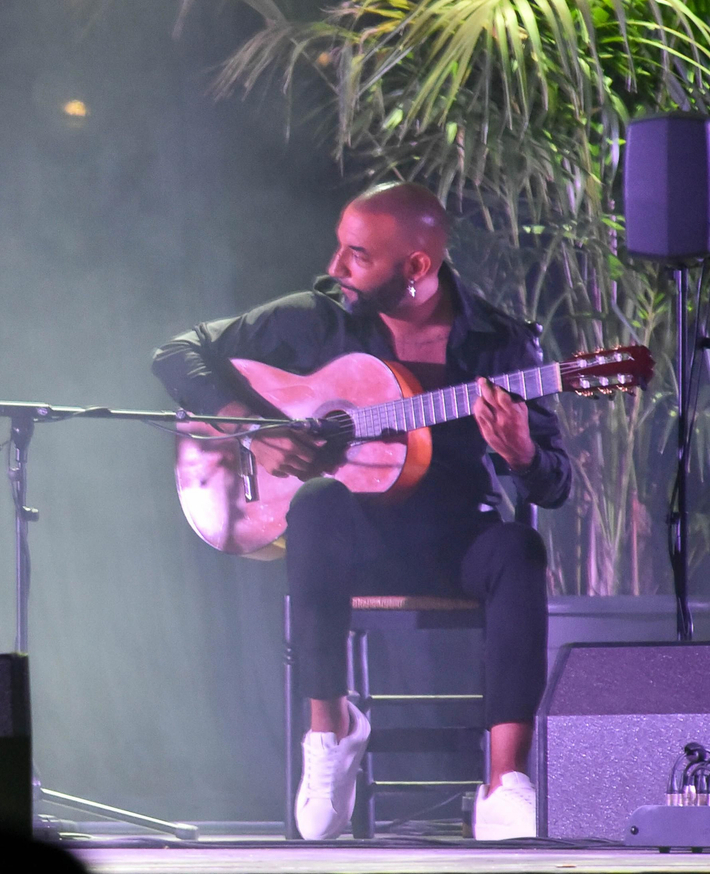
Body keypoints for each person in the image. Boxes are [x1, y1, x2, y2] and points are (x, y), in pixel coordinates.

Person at [152, 182, 569, 841]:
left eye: (357, 255)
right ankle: (331, 733)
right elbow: (177, 352)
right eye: (341, 248)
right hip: (352, 543)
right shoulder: (319, 317)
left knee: (520, 548)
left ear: (417, 268)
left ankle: (503, 783)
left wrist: (521, 452)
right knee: (318, 504)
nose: (335, 267)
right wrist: (255, 426)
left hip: (456, 539)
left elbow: (554, 484)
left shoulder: (502, 343)